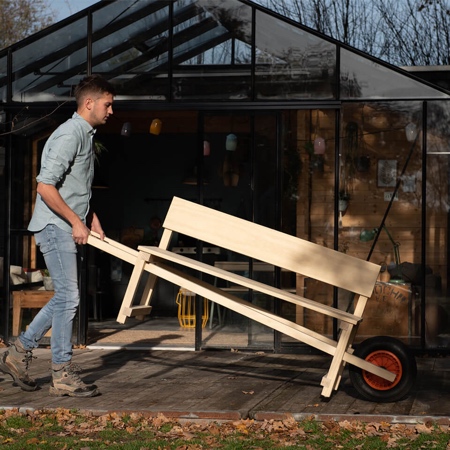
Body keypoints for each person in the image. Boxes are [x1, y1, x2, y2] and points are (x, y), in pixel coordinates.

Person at [0, 75, 115, 397]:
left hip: (65, 225)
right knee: (70, 296)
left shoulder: (84, 135)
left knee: (66, 296)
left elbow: (76, 188)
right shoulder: (70, 134)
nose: (110, 112)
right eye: (107, 105)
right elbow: (45, 186)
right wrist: (75, 223)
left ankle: (18, 351)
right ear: (89, 103)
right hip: (55, 227)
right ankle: (60, 372)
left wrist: (91, 218)